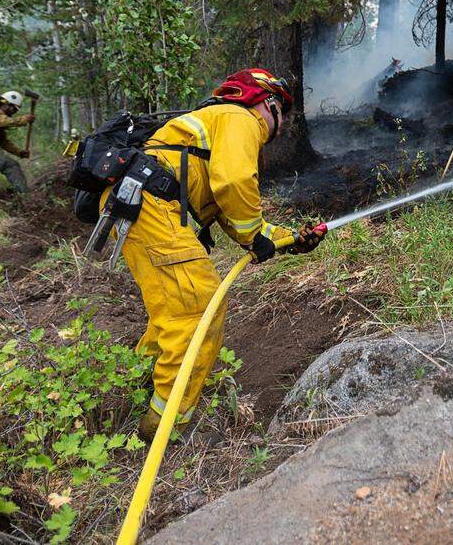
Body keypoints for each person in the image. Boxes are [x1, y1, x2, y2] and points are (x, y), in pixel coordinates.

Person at [112, 69, 325, 442]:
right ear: (268, 103)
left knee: (175, 309)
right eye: (282, 114)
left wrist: (290, 239)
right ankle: (165, 428)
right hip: (150, 204)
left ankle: (131, 393)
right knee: (199, 311)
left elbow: (225, 210)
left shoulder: (213, 126)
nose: (280, 126)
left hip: (137, 202)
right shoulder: (239, 117)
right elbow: (234, 183)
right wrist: (256, 235)